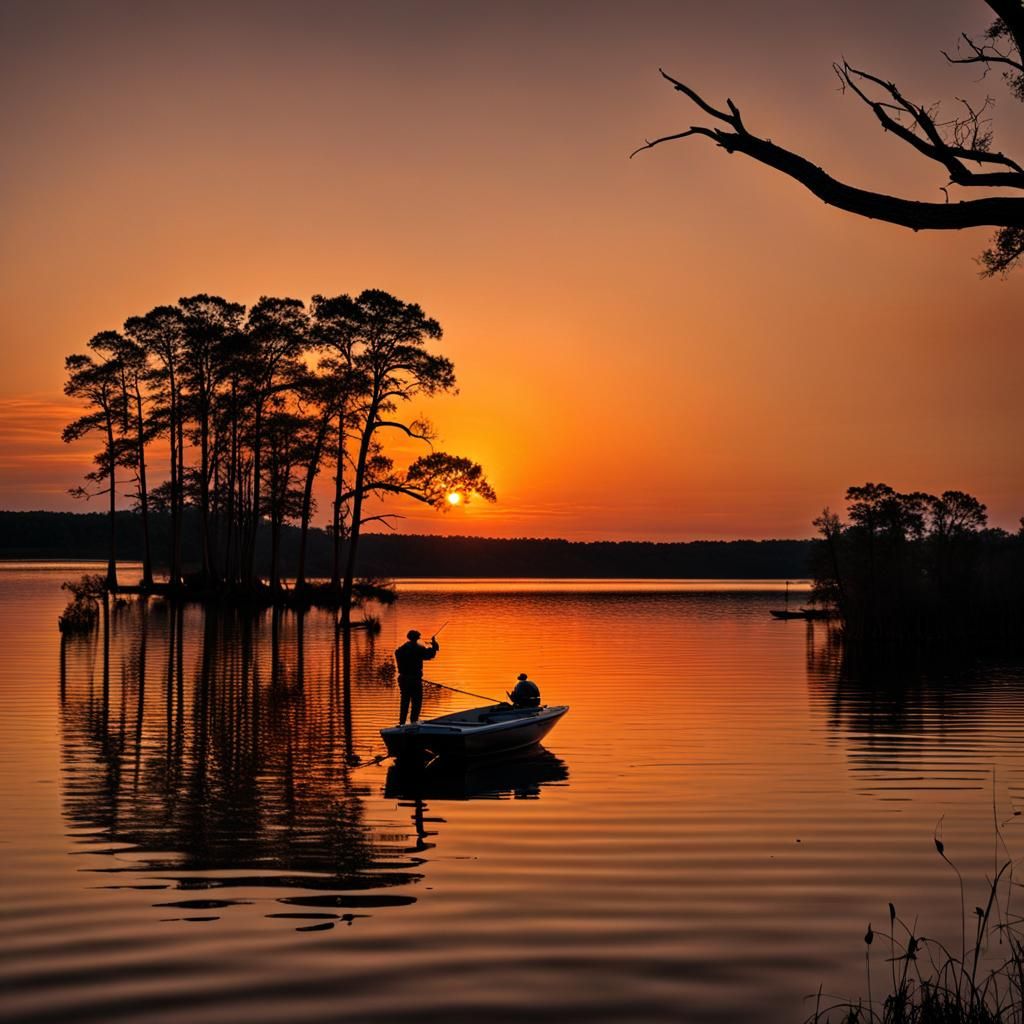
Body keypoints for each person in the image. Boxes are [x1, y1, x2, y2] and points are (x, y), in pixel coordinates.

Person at [394, 629, 439, 725]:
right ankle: (413, 722)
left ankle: (401, 723)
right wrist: (434, 645)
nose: (419, 639)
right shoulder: (418, 648)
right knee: (416, 702)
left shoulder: (401, 649)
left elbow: (397, 652)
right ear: (416, 638)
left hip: (403, 679)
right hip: (414, 680)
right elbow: (430, 655)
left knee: (404, 701)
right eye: (419, 638)